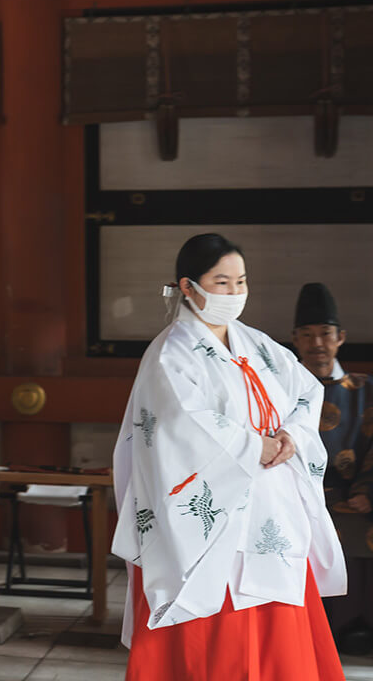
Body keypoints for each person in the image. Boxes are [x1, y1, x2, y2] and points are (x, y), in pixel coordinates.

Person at [112, 233, 347, 681]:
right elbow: (179, 424)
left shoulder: (257, 345)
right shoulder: (169, 354)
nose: (235, 293)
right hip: (209, 516)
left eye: (241, 281)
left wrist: (291, 437)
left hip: (270, 504)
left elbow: (306, 394)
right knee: (213, 638)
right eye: (221, 281)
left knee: (278, 626)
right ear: (188, 286)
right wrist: (252, 445)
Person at [292, 282, 373, 654]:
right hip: (294, 499)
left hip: (354, 498)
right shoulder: (281, 389)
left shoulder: (365, 390)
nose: (317, 344)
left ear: (340, 337)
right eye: (307, 335)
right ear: (295, 340)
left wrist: (366, 491)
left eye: (325, 334)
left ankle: (358, 627)